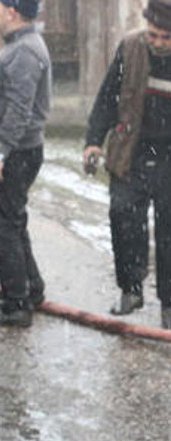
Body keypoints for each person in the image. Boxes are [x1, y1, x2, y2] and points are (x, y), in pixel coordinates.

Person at [83, 0, 171, 329]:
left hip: (169, 157)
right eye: (154, 35)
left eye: (165, 37)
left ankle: (169, 304)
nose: (158, 42)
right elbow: (108, 96)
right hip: (131, 150)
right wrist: (93, 140)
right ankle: (131, 288)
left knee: (169, 235)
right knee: (122, 216)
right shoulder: (131, 47)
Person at [0, 0, 51, 327]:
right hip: (16, 150)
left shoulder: (24, 52)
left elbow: (20, 109)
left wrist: (0, 153)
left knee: (2, 224)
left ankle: (17, 303)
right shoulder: (23, 46)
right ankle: (30, 289)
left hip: (16, 152)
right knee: (12, 220)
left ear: (12, 13)